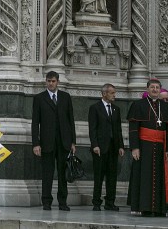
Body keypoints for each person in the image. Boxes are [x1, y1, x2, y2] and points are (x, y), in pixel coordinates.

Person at [126, 78, 168, 217]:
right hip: (144, 147)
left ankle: (160, 208)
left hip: (161, 148)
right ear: (147, 89)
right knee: (144, 176)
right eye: (152, 87)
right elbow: (133, 129)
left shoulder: (166, 107)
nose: (155, 90)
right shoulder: (138, 105)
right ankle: (145, 207)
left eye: (157, 87)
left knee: (160, 177)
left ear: (160, 90)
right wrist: (134, 148)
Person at [31, 71, 77, 211]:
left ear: (58, 82)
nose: (51, 83)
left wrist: (72, 142)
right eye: (49, 81)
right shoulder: (39, 98)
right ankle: (46, 201)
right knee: (47, 173)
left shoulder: (65, 97)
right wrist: (36, 143)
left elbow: (71, 120)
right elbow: (35, 122)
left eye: (53, 81)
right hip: (47, 142)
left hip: (64, 141)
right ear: (46, 82)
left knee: (63, 173)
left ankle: (62, 202)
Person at [88, 83, 125, 211]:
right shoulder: (95, 108)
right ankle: (96, 202)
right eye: (112, 93)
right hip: (100, 148)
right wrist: (95, 145)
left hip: (113, 148)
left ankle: (110, 202)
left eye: (114, 93)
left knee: (112, 176)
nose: (114, 95)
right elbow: (92, 129)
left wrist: (121, 146)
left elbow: (118, 129)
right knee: (98, 176)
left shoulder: (116, 109)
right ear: (104, 94)